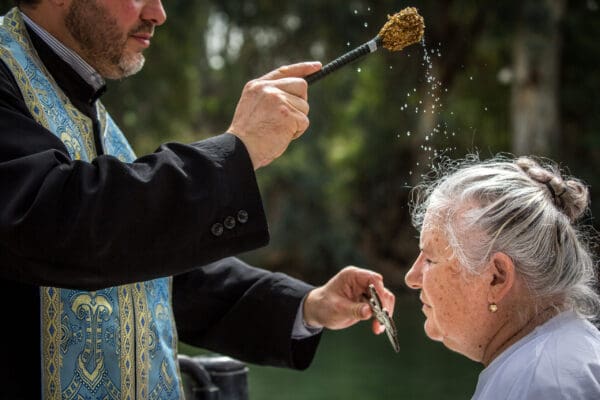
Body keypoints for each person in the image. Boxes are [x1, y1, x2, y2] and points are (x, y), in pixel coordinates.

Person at [0, 1, 395, 398]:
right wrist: (235, 151)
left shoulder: (84, 105)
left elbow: (153, 270)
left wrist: (307, 305)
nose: (158, 13)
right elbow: (51, 223)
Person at [404, 154, 600, 399]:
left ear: (496, 277)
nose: (411, 277)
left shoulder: (541, 386)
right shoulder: (565, 355)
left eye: (430, 259)